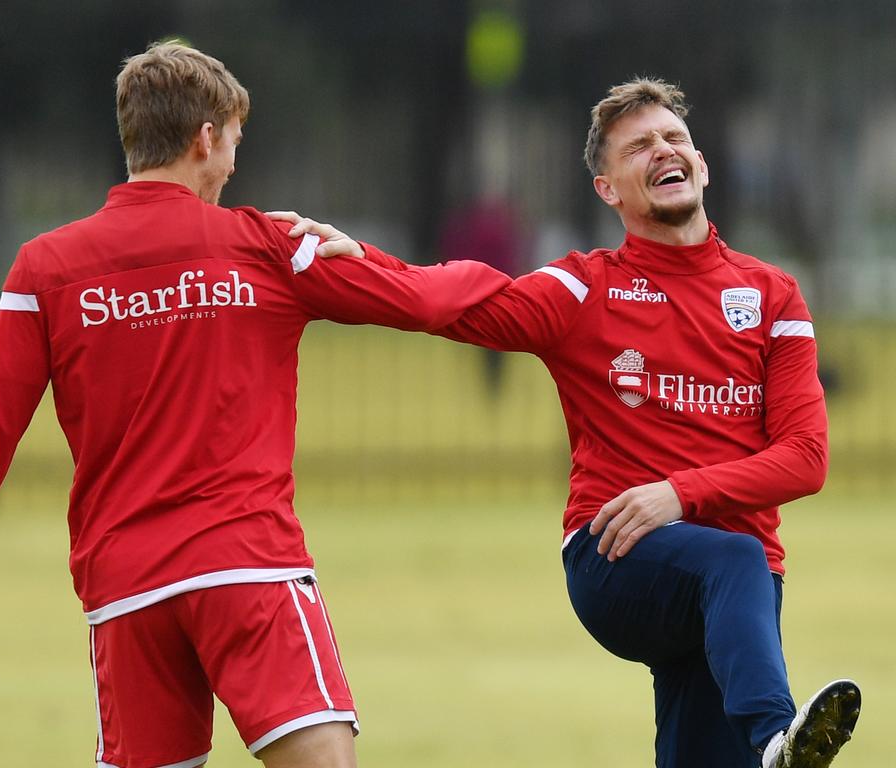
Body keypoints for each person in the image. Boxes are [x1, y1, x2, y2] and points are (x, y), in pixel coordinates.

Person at [0, 42, 511, 768]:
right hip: (248, 571)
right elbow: (427, 300)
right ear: (205, 137)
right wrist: (547, 294)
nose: (235, 165)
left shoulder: (44, 269)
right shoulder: (268, 246)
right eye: (234, 141)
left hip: (128, 596)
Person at [273, 78, 861, 768]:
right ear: (608, 190)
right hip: (616, 556)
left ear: (701, 164)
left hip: (735, 592)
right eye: (638, 147)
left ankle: (761, 750)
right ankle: (772, 737)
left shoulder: (772, 294)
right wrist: (363, 260)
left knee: (709, 712)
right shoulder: (587, 287)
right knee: (737, 567)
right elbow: (457, 302)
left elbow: (806, 459)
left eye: (673, 139)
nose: (662, 151)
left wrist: (679, 493)